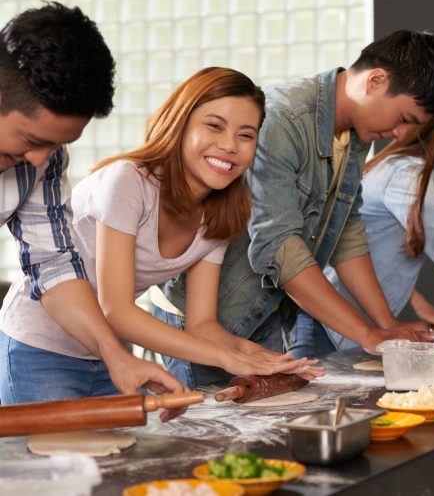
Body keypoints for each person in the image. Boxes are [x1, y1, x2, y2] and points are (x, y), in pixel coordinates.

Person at [1, 65, 321, 402]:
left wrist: (261, 358)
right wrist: (227, 358)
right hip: (38, 350)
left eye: (246, 135)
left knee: (120, 455)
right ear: (180, 124)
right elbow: (117, 310)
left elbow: (202, 324)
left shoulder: (221, 212)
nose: (230, 145)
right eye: (214, 126)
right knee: (51, 456)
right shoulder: (127, 182)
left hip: (114, 357)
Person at [156, 29, 434, 385]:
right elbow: (278, 245)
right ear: (376, 81)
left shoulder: (355, 134)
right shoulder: (285, 118)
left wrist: (385, 323)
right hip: (205, 318)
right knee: (215, 436)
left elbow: (347, 232)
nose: (399, 133)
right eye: (405, 118)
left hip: (263, 311)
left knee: (261, 432)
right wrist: (365, 333)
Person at [0, 3, 187, 415]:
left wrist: (115, 355)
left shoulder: (43, 161)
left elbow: (53, 266)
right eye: (31, 140)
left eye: (55, 145)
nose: (39, 159)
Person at [309, 76, 434, 350]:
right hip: (325, 324)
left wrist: (419, 304)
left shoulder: (424, 176)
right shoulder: (408, 176)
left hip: (346, 324)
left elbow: (376, 248)